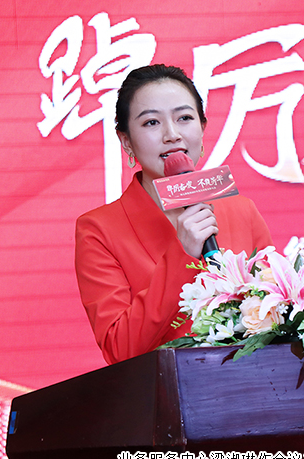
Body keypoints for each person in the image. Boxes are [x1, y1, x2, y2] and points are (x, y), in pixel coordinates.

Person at [75, 64, 273, 365]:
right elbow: (119, 348)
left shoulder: (242, 210)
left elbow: (277, 314)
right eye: (151, 122)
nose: (172, 134)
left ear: (202, 128)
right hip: (165, 389)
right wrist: (182, 255)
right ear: (126, 141)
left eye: (184, 118)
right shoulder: (98, 230)